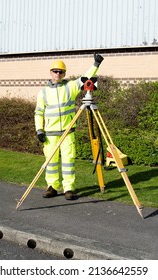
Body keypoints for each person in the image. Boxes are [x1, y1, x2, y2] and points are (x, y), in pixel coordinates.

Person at [34, 53, 104, 200]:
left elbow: (86, 77)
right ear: (51, 72)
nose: (57, 74)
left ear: (64, 73)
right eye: (55, 71)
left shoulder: (70, 87)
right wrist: (39, 130)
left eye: (60, 72)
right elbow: (39, 113)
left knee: (68, 161)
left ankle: (69, 189)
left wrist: (96, 64)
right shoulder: (43, 92)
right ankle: (52, 187)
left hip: (67, 132)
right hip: (50, 134)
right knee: (51, 162)